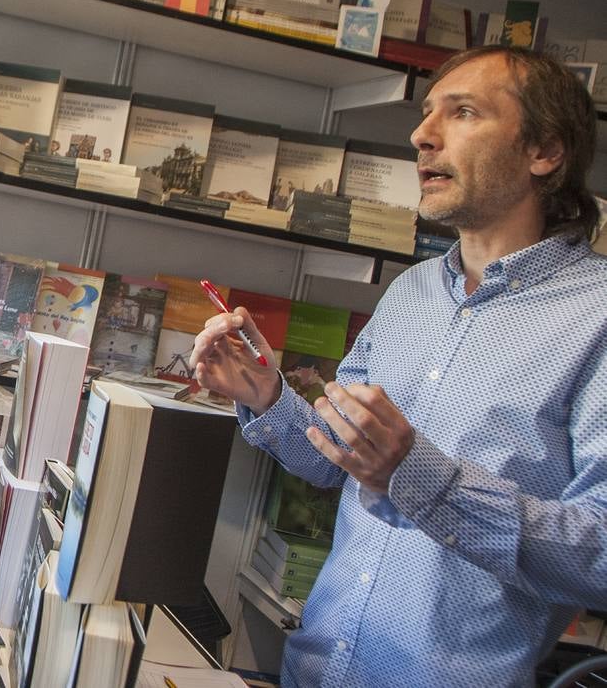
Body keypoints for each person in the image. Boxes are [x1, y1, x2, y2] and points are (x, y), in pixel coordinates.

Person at [190, 45, 607, 687]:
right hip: (316, 672)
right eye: (426, 113)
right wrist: (269, 397)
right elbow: (340, 464)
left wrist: (419, 478)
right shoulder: (414, 292)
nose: (421, 135)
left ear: (544, 152)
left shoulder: (598, 317)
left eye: (462, 112)